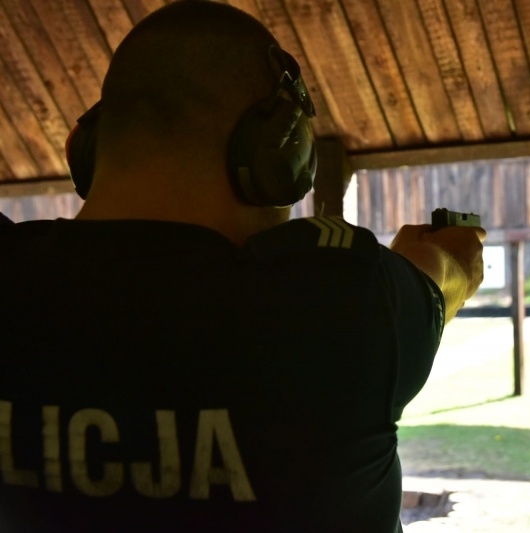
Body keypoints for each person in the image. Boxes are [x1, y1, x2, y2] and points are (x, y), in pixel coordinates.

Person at [0, 1, 484, 532]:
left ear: (82, 148)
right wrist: (448, 254)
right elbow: (444, 270)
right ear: (282, 155)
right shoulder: (345, 308)